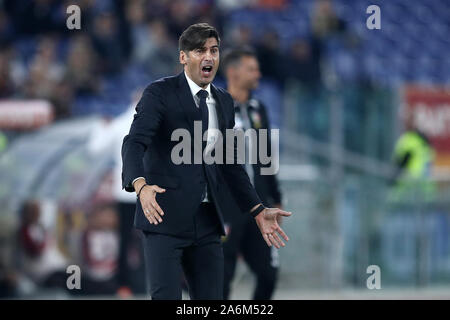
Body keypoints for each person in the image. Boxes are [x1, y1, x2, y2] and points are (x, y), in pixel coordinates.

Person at [121, 23, 292, 300]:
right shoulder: (159, 93)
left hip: (208, 222)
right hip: (165, 219)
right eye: (200, 50)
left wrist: (258, 208)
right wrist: (140, 186)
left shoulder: (224, 102)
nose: (209, 57)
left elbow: (231, 166)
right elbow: (134, 142)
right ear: (183, 57)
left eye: (214, 50)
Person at [221, 47, 283, 300]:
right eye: (252, 69)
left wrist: (275, 197)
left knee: (268, 273)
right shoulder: (213, 107)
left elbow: (266, 155)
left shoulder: (259, 108)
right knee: (222, 275)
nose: (258, 74)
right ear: (233, 72)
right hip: (225, 206)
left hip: (258, 205)